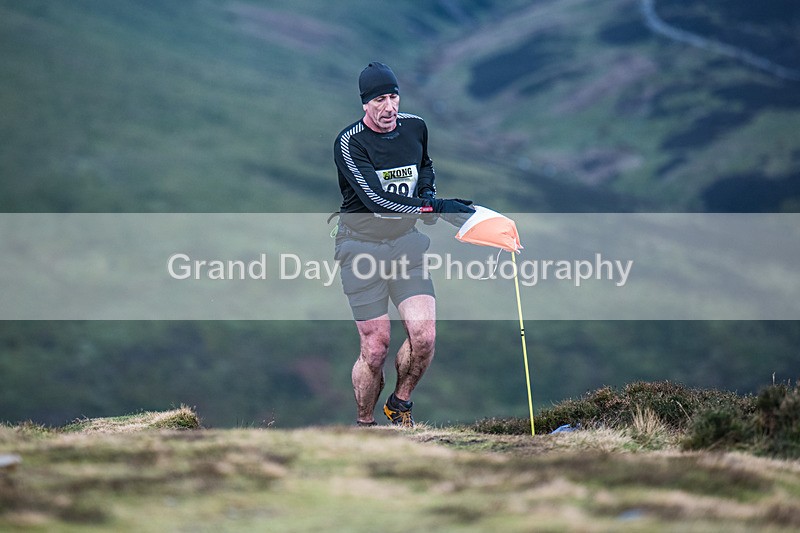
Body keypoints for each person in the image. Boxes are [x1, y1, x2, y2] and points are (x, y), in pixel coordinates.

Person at [333, 62, 474, 427]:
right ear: (365, 104)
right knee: (375, 347)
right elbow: (376, 200)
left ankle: (400, 404)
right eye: (379, 99)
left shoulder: (415, 127)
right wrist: (434, 207)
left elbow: (425, 164)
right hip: (360, 249)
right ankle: (365, 425)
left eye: (393, 96)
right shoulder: (350, 143)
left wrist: (427, 193)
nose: (389, 107)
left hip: (406, 246)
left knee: (424, 337)